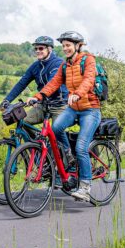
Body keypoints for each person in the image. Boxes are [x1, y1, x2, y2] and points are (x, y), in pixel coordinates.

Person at [28, 31, 101, 202]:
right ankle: (67, 155)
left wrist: (78, 93)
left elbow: (89, 80)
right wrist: (38, 97)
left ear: (77, 46)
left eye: (68, 45)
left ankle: (85, 186)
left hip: (90, 110)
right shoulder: (65, 65)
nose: (65, 48)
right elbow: (53, 83)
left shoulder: (88, 60)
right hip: (72, 108)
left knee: (81, 148)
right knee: (56, 128)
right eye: (64, 46)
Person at [0, 36, 68, 124]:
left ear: (50, 49)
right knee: (23, 122)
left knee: (57, 131)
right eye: (36, 49)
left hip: (59, 105)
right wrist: (7, 100)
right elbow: (22, 83)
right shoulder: (35, 66)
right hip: (42, 104)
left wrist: (36, 97)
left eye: (41, 48)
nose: (37, 51)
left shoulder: (58, 63)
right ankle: (36, 138)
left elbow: (52, 84)